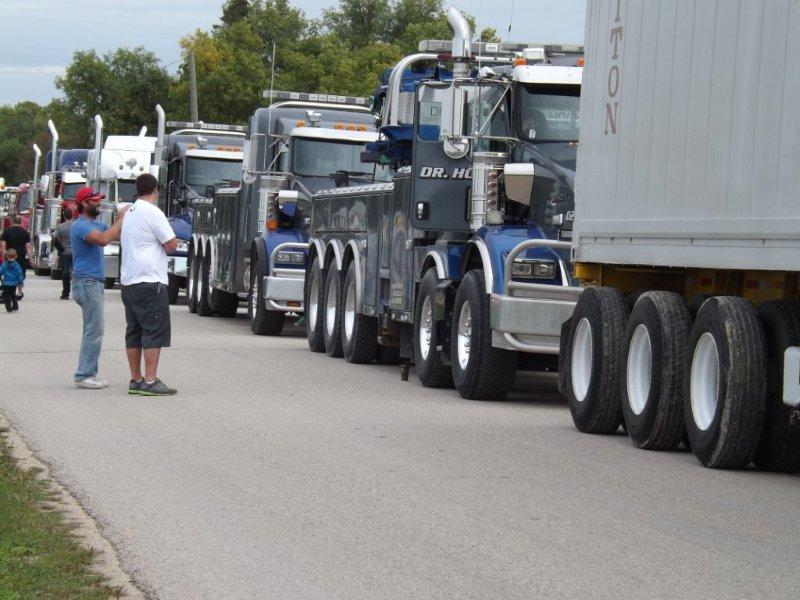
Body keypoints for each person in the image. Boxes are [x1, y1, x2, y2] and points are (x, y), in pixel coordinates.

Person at [120, 173, 178, 396]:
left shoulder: (130, 212)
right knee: (154, 330)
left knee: (133, 331)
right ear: (155, 190)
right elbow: (170, 243)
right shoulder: (153, 212)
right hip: (149, 279)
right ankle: (151, 381)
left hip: (129, 280)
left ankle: (136, 379)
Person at [70, 187, 126, 389]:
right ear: (84, 203)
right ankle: (84, 374)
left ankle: (87, 373)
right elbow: (103, 240)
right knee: (94, 330)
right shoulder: (81, 226)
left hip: (93, 282)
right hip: (87, 282)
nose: (98, 203)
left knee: (93, 329)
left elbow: (112, 234)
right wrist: (120, 221)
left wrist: (121, 220)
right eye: (94, 200)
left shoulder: (96, 224)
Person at [0, 213, 32, 299]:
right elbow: (28, 246)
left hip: (9, 255)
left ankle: (9, 290)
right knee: (20, 274)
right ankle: (19, 292)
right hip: (21, 256)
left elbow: (3, 246)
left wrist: (3, 258)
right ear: (20, 222)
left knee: (8, 273)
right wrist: (30, 259)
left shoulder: (6, 231)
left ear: (12, 221)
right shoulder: (25, 232)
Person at [53, 207, 75, 299]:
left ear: (64, 216)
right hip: (75, 253)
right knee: (76, 272)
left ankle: (65, 292)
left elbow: (54, 237)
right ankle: (78, 291)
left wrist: (59, 248)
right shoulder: (76, 225)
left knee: (65, 272)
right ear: (72, 215)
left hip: (64, 252)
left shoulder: (60, 226)